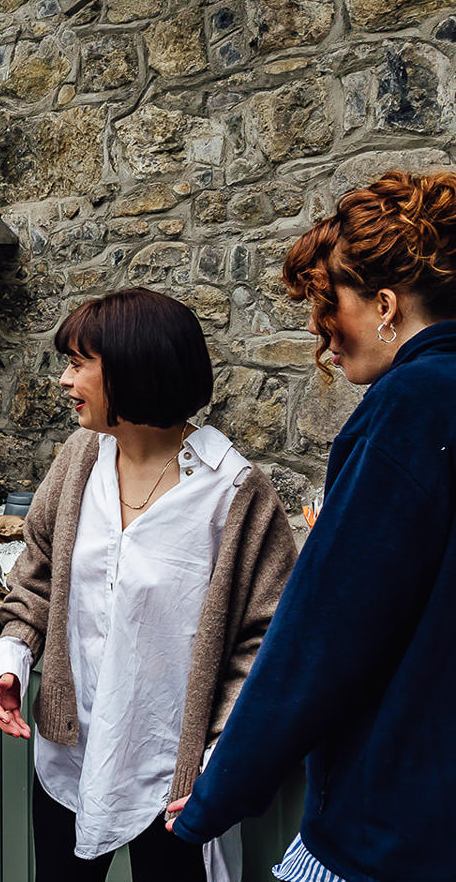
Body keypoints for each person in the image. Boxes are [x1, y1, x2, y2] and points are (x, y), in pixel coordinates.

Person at [167, 170, 456, 881]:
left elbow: (322, 639)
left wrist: (215, 795)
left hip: (394, 828)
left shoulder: (410, 404)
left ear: (385, 305)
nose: (318, 329)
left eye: (330, 305)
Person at [0, 288, 297, 882]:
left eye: (78, 364)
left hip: (170, 777)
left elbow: (265, 637)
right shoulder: (79, 459)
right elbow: (39, 573)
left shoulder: (232, 493)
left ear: (132, 370)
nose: (62, 380)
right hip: (69, 751)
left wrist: (215, 753)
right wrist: (13, 657)